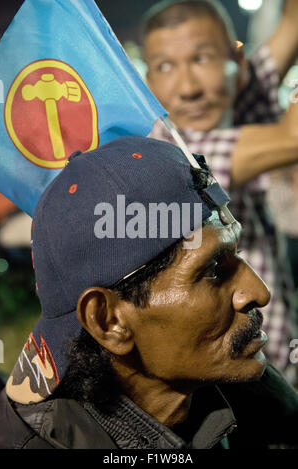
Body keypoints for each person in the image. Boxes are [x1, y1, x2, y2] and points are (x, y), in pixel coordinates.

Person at [0, 137, 298, 450]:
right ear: (108, 321)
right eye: (211, 271)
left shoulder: (243, 390)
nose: (258, 293)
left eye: (236, 253)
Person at [142, 0, 298, 381]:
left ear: (239, 67)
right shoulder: (178, 155)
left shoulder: (228, 105)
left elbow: (293, 22)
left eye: (203, 58)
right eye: (165, 66)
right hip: (249, 387)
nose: (188, 88)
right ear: (148, 83)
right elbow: (293, 136)